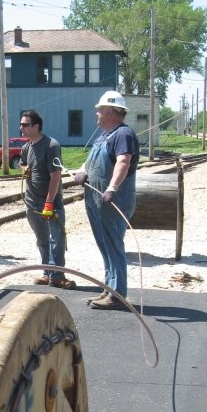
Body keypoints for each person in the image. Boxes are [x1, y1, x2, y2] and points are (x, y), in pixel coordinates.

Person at [73, 91, 139, 310]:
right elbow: (90, 161)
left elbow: (123, 161)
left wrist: (112, 188)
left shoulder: (123, 134)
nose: (97, 112)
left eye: (99, 109)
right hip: (96, 199)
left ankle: (118, 293)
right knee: (105, 245)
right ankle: (109, 288)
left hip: (112, 200)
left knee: (113, 244)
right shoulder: (104, 136)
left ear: (110, 111)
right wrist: (82, 171)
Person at [18, 110, 76, 289]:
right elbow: (21, 162)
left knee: (56, 239)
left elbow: (56, 176)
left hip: (51, 203)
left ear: (36, 126)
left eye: (25, 124)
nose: (21, 127)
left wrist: (49, 202)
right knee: (42, 240)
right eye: (21, 124)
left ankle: (57, 275)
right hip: (32, 202)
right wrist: (24, 167)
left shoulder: (51, 145)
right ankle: (47, 272)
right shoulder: (27, 147)